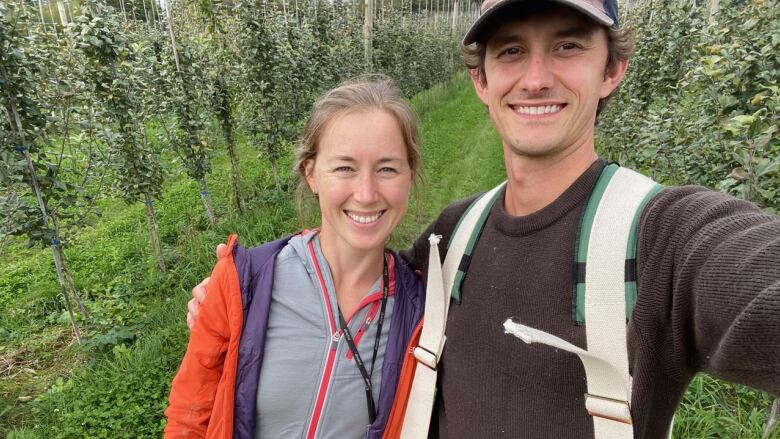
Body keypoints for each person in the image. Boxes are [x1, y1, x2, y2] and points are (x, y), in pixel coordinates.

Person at [188, 1, 780, 437]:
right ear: (481, 78)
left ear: (612, 70)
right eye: (511, 51)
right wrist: (240, 293)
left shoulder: (666, 237)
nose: (537, 77)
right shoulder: (451, 238)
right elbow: (354, 261)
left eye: (569, 45)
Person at [165, 77, 424, 439]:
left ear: (409, 175)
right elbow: (190, 416)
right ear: (311, 173)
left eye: (387, 169)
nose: (366, 193)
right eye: (345, 168)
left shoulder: (422, 313)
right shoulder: (245, 283)